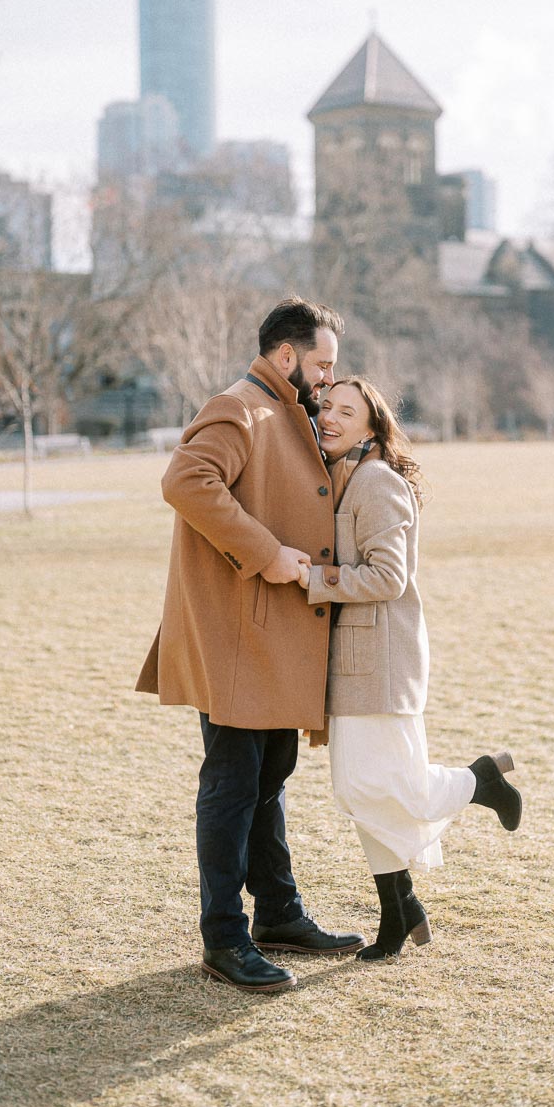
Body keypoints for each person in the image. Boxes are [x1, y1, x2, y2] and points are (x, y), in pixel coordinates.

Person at [135, 298, 365, 994]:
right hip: (240, 637)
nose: (328, 379)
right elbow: (184, 481)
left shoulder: (284, 411)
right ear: (287, 355)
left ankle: (279, 914)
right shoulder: (239, 406)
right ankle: (224, 939)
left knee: (270, 780)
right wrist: (264, 553)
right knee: (235, 787)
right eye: (322, 364)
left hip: (271, 638)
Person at [296, 378, 523, 962]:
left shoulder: (376, 483)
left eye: (347, 411)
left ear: (372, 427)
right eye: (325, 406)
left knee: (387, 786)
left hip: (382, 662)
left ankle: (480, 780)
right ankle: (399, 913)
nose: (330, 417)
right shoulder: (345, 477)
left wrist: (315, 580)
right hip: (352, 662)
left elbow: (387, 577)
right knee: (358, 790)